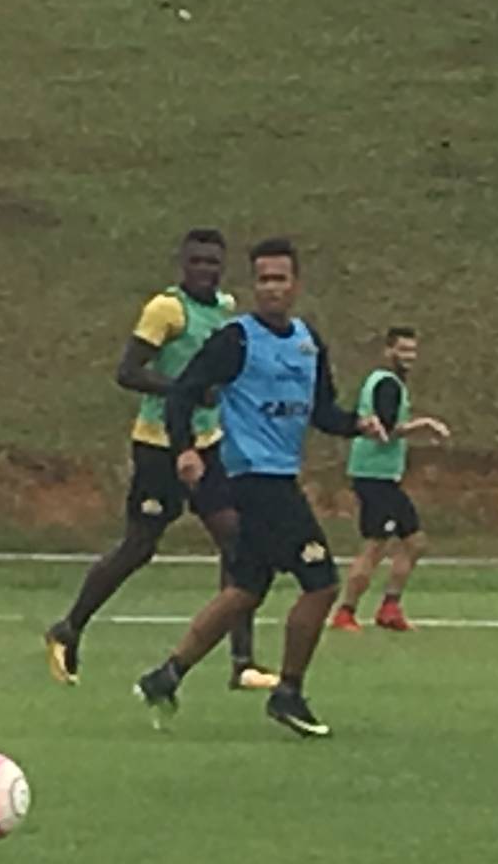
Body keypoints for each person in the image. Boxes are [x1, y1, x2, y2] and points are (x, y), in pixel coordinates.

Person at [132, 238, 388, 739]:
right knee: (322, 583)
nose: (272, 287)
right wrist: (184, 447)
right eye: (264, 279)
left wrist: (359, 424)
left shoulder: (307, 342)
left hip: (278, 477)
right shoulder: (236, 340)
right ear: (254, 286)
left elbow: (322, 412)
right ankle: (288, 692)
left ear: (297, 285)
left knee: (246, 589)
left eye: (281, 278)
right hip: (254, 480)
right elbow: (184, 390)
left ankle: (166, 675)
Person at [44, 228, 278, 691]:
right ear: (182, 264)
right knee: (139, 546)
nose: (206, 271)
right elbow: (128, 372)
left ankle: (242, 662)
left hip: (208, 444)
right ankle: (68, 628)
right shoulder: (165, 310)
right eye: (198, 262)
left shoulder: (225, 310)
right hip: (158, 446)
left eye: (213, 263)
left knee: (238, 543)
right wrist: (184, 389)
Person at [329, 326, 452, 634]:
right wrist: (425, 424)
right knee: (375, 546)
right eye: (402, 350)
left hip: (385, 477)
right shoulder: (386, 384)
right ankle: (345, 612)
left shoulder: (391, 383)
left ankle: (390, 608)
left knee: (414, 542)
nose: (408, 356)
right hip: (373, 476)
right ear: (388, 351)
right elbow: (384, 433)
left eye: (412, 350)